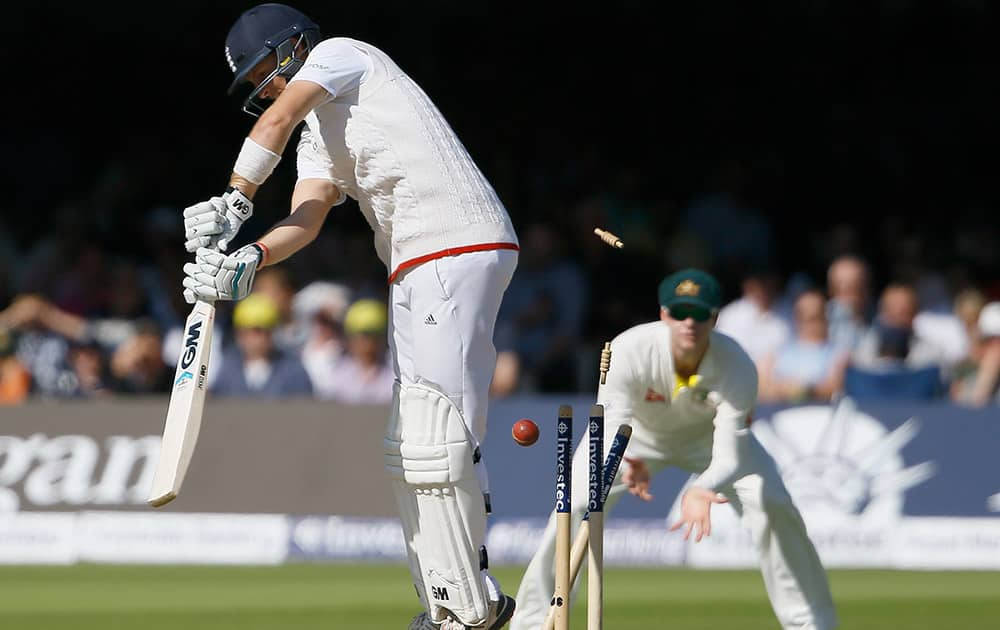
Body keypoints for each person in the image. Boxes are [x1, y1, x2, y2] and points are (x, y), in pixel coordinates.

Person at [179, 4, 519, 628]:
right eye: (254, 85)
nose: (264, 91)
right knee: (411, 439)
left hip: (455, 239)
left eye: (263, 73)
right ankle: (446, 601)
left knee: (437, 434)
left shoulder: (342, 54)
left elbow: (278, 118)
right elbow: (306, 221)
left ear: (293, 48)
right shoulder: (316, 138)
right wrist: (247, 259)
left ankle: (475, 606)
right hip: (415, 261)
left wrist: (236, 197)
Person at [510, 269, 838, 630]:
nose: (689, 323)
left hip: (709, 441)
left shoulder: (737, 364)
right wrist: (627, 459)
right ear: (664, 314)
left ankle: (811, 624)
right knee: (573, 506)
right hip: (634, 438)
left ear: (714, 318)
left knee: (772, 502)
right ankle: (535, 624)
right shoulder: (627, 349)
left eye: (699, 314)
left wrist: (702, 488)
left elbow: (732, 451)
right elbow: (610, 423)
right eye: (679, 312)